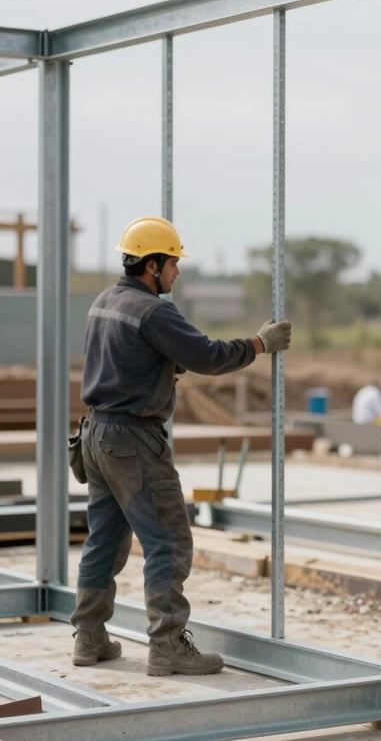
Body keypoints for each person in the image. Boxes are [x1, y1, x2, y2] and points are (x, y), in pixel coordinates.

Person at [71, 216, 292, 676]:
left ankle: (89, 638)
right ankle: (168, 645)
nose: (177, 272)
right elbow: (208, 356)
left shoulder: (104, 302)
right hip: (132, 440)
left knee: (104, 539)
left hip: (96, 435)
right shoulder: (153, 311)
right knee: (169, 541)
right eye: (173, 263)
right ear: (151, 265)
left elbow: (127, 360)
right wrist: (259, 343)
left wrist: (162, 368)